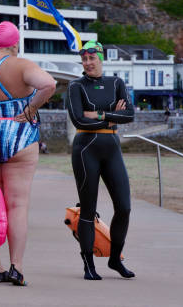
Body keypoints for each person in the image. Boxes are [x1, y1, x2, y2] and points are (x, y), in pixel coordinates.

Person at [0, 21, 56, 286]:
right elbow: (49, 85)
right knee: (17, 204)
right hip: (18, 133)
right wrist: (29, 109)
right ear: (15, 44)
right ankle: (16, 267)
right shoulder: (23, 65)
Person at [66, 40, 136, 280]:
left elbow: (129, 115)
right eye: (84, 60)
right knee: (88, 209)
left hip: (111, 148)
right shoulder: (76, 86)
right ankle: (88, 265)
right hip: (86, 149)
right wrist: (110, 118)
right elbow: (78, 120)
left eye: (91, 58)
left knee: (124, 207)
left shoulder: (116, 83)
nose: (87, 63)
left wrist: (97, 114)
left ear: (101, 58)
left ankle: (115, 259)